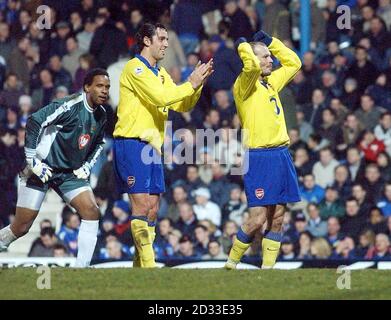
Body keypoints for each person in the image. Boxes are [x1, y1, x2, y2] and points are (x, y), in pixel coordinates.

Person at [113, 22, 213, 268]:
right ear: (146, 41)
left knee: (154, 209)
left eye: (167, 39)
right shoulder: (134, 68)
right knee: (142, 205)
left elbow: (181, 105)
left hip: (153, 148)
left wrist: (197, 85)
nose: (166, 44)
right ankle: (150, 267)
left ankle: (139, 269)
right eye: (161, 38)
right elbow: (161, 98)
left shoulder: (160, 73)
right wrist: (189, 82)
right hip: (132, 142)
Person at [0, 68, 110, 268]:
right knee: (22, 226)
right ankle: (2, 241)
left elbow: (99, 143)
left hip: (68, 173)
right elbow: (34, 121)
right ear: (87, 87)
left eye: (107, 87)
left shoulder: (102, 114)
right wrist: (33, 161)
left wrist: (88, 165)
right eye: (99, 86)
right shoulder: (68, 106)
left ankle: (82, 269)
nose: (104, 91)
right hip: (42, 168)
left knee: (92, 211)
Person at [225, 29, 302, 269]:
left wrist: (270, 42)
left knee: (278, 217)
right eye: (265, 56)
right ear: (252, 58)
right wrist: (242, 46)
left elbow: (294, 62)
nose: (271, 60)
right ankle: (230, 265)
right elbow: (250, 67)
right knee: (257, 219)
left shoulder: (270, 83)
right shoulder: (244, 86)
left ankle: (267, 273)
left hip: (280, 155)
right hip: (258, 157)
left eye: (270, 56)